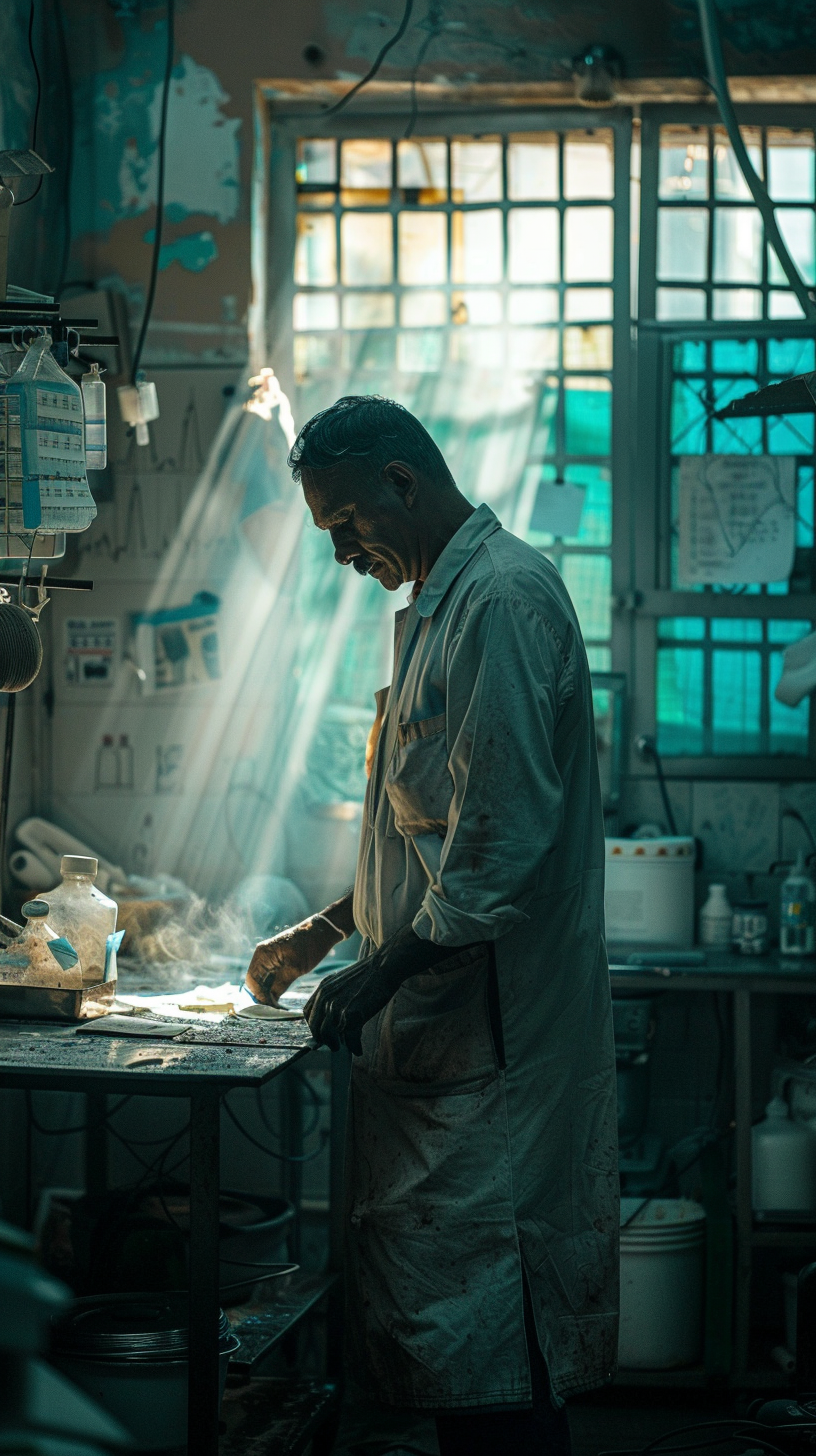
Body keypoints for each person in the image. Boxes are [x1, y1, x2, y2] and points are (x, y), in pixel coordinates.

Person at [246, 396, 618, 1456]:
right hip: (445, 1059)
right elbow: (422, 836)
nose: (340, 555)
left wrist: (372, 978)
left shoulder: (501, 602)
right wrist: (329, 930)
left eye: (345, 526)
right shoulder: (439, 607)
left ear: (403, 483)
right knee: (468, 1361)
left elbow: (492, 854)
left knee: (502, 1364)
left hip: (495, 1065)